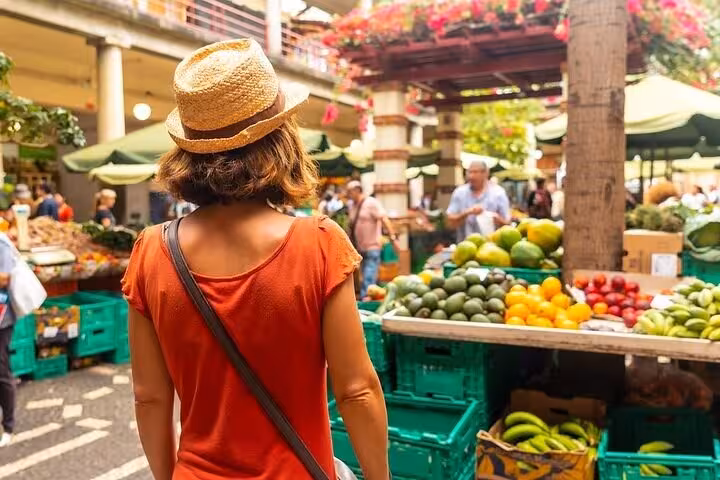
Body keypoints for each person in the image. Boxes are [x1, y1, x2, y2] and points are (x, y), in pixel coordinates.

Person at [123, 39, 389, 480]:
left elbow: (149, 396)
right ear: (280, 141)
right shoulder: (319, 243)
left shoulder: (151, 250)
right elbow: (357, 390)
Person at [346, 180, 399, 299]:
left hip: (372, 247)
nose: (348, 194)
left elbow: (384, 219)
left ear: (358, 190)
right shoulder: (352, 206)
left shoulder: (371, 203)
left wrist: (393, 238)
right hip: (360, 248)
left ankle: (366, 300)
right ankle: (368, 297)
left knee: (369, 276)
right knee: (364, 276)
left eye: (350, 191)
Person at [446, 160, 511, 242]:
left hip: (492, 249)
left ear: (485, 173)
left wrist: (497, 219)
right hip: (465, 247)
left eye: (475, 172)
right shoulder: (459, 192)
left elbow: (507, 223)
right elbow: (450, 223)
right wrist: (467, 212)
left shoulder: (498, 193)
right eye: (469, 172)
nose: (471, 176)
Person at [0, 237, 15, 447]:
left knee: (1, 371)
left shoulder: (1, 243)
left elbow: (5, 278)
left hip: (2, 318)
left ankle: (9, 425)